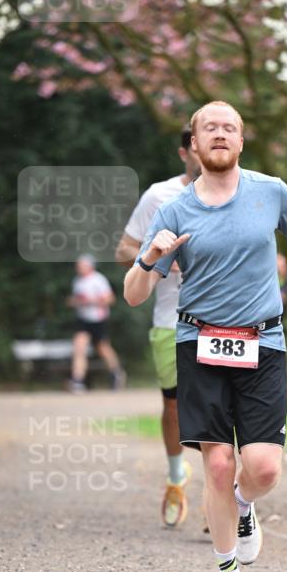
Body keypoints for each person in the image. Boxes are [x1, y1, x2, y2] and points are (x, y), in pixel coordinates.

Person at [123, 100, 287, 572]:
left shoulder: (271, 192)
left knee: (261, 469)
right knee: (218, 465)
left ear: (241, 141)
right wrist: (151, 256)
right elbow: (134, 293)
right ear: (193, 145)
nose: (219, 134)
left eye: (229, 128)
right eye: (208, 128)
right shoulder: (173, 210)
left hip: (262, 342)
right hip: (199, 344)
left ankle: (243, 506)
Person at [115, 126, 201, 527]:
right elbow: (124, 249)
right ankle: (175, 476)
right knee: (174, 405)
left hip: (227, 321)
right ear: (184, 152)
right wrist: (160, 259)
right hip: (171, 319)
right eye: (196, 146)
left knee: (229, 405)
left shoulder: (243, 193)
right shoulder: (160, 196)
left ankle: (228, 492)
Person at [67, 254, 124, 392]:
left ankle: (116, 373)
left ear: (89, 266)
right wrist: (74, 302)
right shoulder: (77, 281)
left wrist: (91, 302)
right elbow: (74, 300)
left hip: (98, 319)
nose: (78, 267)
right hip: (83, 320)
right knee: (79, 348)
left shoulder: (98, 280)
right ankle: (77, 380)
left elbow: (110, 299)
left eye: (81, 265)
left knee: (102, 348)